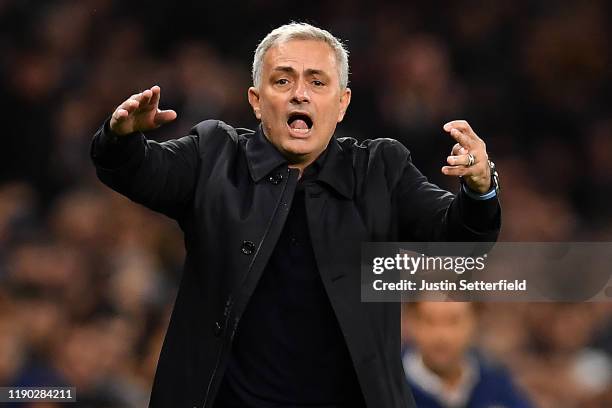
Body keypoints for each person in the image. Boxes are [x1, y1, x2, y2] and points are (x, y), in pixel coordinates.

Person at [90, 22, 501, 408]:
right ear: (256, 100)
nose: (299, 94)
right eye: (283, 80)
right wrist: (120, 137)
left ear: (342, 104)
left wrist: (480, 189)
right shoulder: (213, 154)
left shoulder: (381, 170)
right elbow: (142, 172)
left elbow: (458, 240)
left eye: (317, 82)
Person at [402, 302, 533, 408]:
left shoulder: (496, 385)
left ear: (475, 321)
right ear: (412, 322)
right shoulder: (388, 387)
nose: (442, 335)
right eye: (429, 321)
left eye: (454, 321)